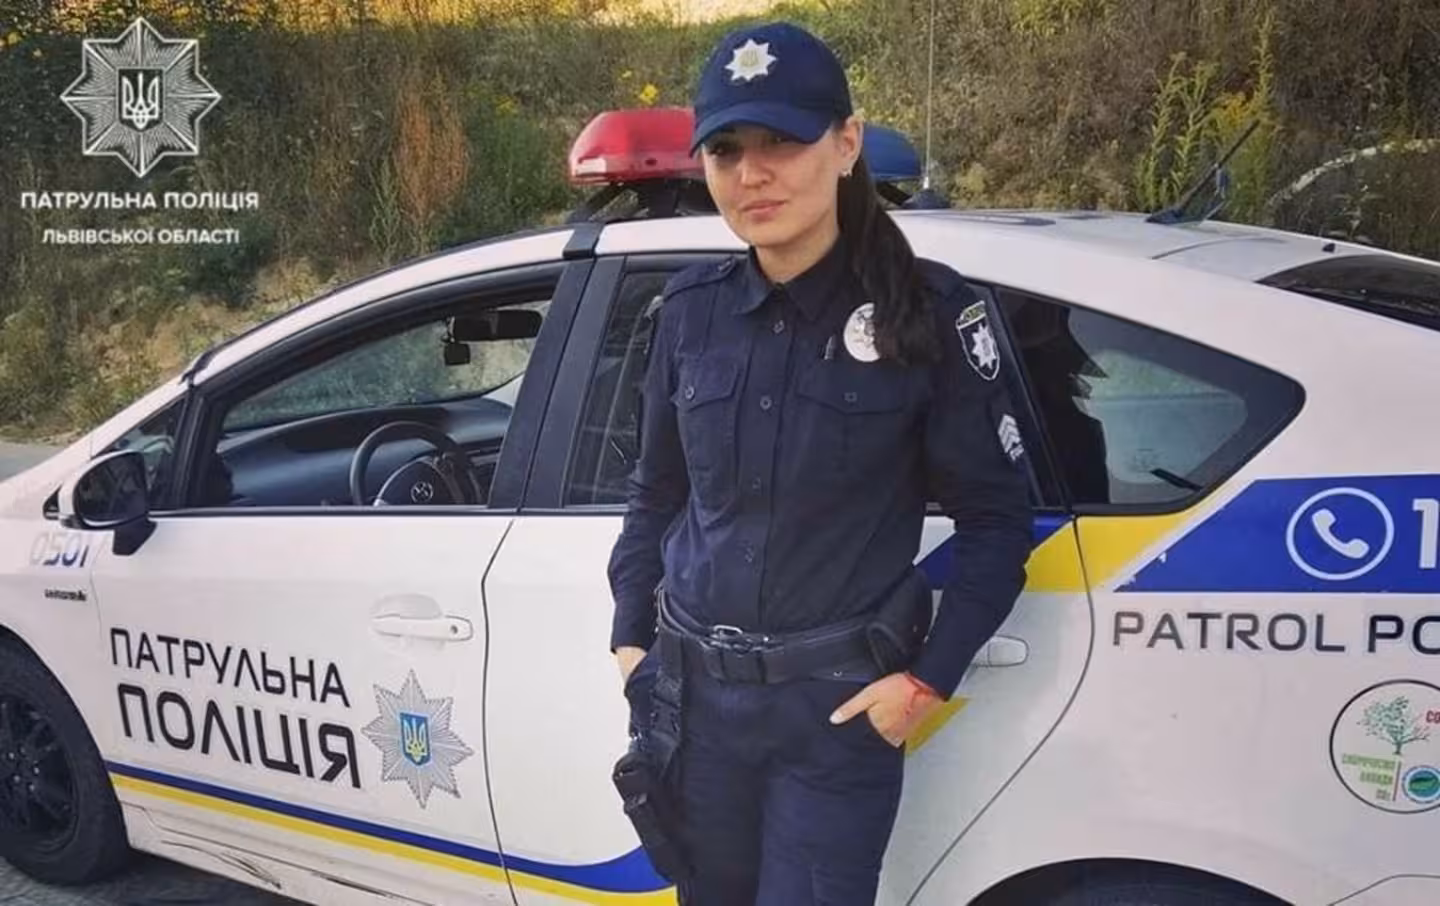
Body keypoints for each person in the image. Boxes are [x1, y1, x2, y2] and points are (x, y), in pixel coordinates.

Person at [607, 21, 1034, 906]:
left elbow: (997, 522)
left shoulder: (926, 314)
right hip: (694, 709)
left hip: (834, 718)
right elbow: (655, 493)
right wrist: (631, 641)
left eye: (782, 141)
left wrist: (923, 683)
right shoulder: (689, 313)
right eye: (726, 150)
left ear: (845, 145)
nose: (751, 174)